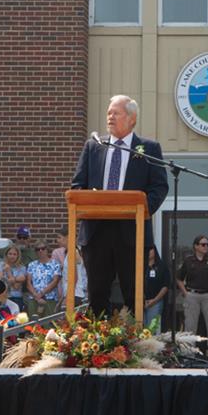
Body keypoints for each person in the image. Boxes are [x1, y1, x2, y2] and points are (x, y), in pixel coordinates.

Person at [72, 94, 168, 316]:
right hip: (97, 232)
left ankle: (136, 347)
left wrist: (142, 210)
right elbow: (77, 185)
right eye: (108, 113)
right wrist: (89, 201)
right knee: (96, 295)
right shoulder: (93, 146)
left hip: (132, 232)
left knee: (134, 296)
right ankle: (96, 346)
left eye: (116, 113)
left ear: (132, 119)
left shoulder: (148, 148)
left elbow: (159, 187)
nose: (110, 117)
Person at [177, 234, 208, 362]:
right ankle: (188, 356)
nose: (206, 247)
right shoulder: (188, 261)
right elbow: (179, 278)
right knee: (190, 327)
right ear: (196, 246)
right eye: (203, 244)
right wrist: (186, 293)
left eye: (207, 244)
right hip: (192, 295)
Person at [54, 227, 88, 310]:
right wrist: (62, 298)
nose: (57, 240)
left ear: (68, 237)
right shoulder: (70, 252)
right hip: (72, 294)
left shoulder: (73, 252)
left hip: (75, 294)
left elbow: (74, 277)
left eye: (59, 237)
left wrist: (68, 297)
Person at [25, 240, 61, 317]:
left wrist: (41, 293)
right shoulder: (31, 265)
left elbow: (55, 281)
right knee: (33, 324)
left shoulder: (55, 264)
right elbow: (28, 282)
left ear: (47, 249)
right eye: (38, 249)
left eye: (43, 248)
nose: (40, 251)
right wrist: (36, 295)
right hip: (34, 299)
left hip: (50, 298)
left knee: (49, 325)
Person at [144, 245, 170, 332]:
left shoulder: (162, 267)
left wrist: (154, 300)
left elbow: (165, 286)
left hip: (155, 303)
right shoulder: (140, 265)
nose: (148, 252)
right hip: (140, 302)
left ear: (155, 251)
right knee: (138, 330)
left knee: (151, 330)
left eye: (150, 250)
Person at [0, 244, 27, 310]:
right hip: (3, 297)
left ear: (18, 256)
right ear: (6, 255)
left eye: (14, 254)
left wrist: (8, 272)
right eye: (10, 254)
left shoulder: (22, 268)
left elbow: (16, 287)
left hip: (16, 298)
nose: (12, 256)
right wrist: (15, 279)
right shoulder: (0, 266)